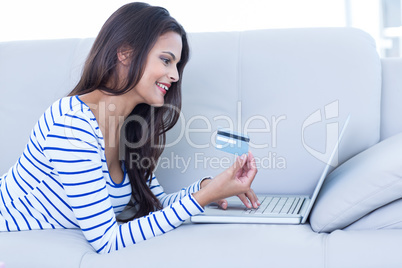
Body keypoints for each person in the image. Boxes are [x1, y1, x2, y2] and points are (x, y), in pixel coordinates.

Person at [0, 2, 259, 254]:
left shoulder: (129, 130)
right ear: (125, 53)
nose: (175, 76)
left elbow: (158, 204)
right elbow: (106, 240)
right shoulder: (71, 123)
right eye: (166, 60)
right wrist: (202, 198)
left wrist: (209, 187)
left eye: (177, 65)